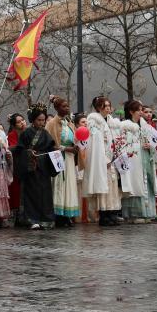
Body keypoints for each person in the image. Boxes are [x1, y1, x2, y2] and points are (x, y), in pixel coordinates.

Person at [13, 103, 57, 229]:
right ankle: (32, 219)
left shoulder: (46, 133)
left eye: (43, 120)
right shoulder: (26, 133)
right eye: (39, 120)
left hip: (44, 168)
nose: (42, 123)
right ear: (33, 119)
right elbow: (19, 150)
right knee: (32, 194)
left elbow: (51, 148)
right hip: (31, 167)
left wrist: (56, 153)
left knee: (45, 194)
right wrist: (28, 153)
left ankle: (45, 219)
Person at [84, 96, 123, 227]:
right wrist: (103, 157)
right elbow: (95, 141)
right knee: (103, 185)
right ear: (99, 107)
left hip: (112, 157)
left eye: (108, 106)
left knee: (112, 187)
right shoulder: (94, 121)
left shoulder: (112, 122)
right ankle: (104, 215)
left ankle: (112, 213)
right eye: (105, 106)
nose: (108, 108)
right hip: (101, 158)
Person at [119, 100, 157, 223]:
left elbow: (154, 141)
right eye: (139, 110)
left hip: (145, 158)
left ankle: (147, 212)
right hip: (133, 159)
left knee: (146, 181)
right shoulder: (125, 125)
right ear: (131, 111)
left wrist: (150, 146)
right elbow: (122, 143)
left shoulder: (145, 126)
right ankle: (134, 214)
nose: (141, 113)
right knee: (134, 183)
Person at [45, 96, 80, 227]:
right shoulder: (51, 123)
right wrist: (65, 148)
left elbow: (75, 138)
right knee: (60, 186)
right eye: (64, 106)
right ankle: (59, 216)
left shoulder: (70, 123)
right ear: (57, 108)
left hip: (70, 159)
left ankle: (67, 215)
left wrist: (76, 147)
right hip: (58, 159)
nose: (67, 108)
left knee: (69, 186)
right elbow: (48, 143)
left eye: (67, 106)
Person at [7, 113, 27, 225]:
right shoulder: (12, 134)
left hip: (27, 163)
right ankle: (17, 215)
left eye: (22, 120)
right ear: (14, 125)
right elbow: (12, 147)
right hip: (17, 165)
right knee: (16, 190)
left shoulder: (28, 132)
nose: (22, 123)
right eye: (18, 122)